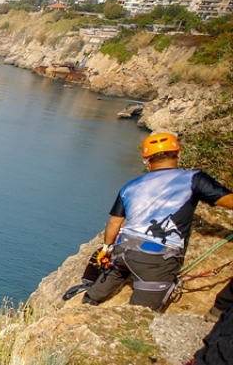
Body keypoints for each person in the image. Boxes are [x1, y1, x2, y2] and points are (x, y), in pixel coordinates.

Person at [83, 132, 233, 311]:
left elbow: (114, 223)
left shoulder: (130, 186)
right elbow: (226, 200)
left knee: (116, 272)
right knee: (141, 313)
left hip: (123, 249)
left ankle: (89, 300)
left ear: (147, 160)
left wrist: (107, 248)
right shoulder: (193, 179)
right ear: (178, 154)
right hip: (155, 256)